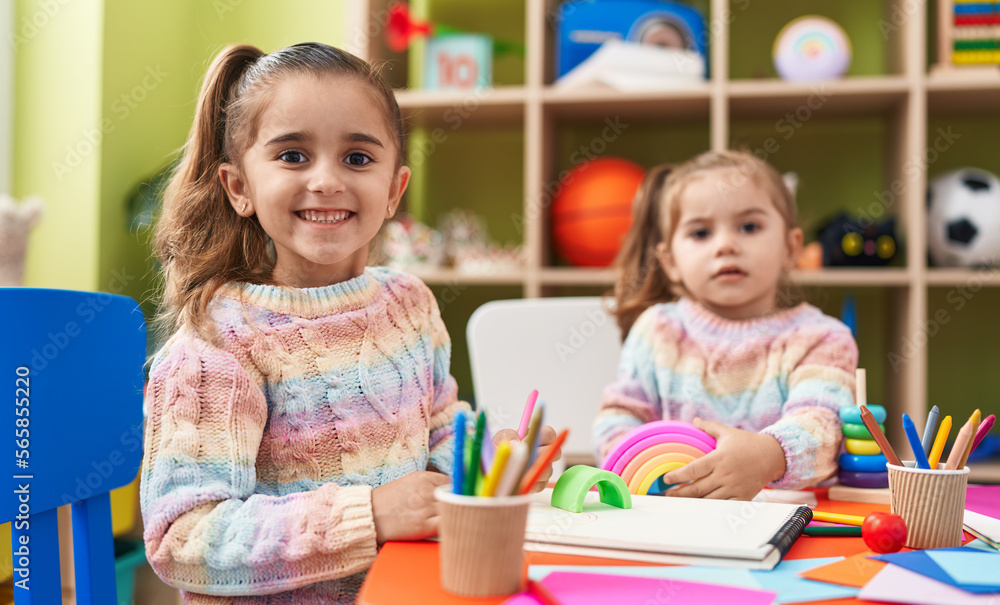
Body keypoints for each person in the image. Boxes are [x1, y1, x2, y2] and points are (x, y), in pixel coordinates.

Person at [141, 42, 558, 604]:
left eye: (358, 158)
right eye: (292, 156)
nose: (327, 181)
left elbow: (436, 435)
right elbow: (183, 540)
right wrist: (370, 516)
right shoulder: (217, 343)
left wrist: (488, 461)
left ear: (393, 190)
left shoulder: (410, 303)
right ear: (239, 187)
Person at [594, 150, 857, 500]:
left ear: (791, 248)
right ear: (670, 262)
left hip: (791, 524)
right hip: (672, 519)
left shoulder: (822, 337)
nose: (726, 245)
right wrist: (636, 467)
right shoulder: (656, 330)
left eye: (749, 227)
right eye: (701, 233)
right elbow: (618, 417)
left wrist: (767, 457)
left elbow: (824, 427)